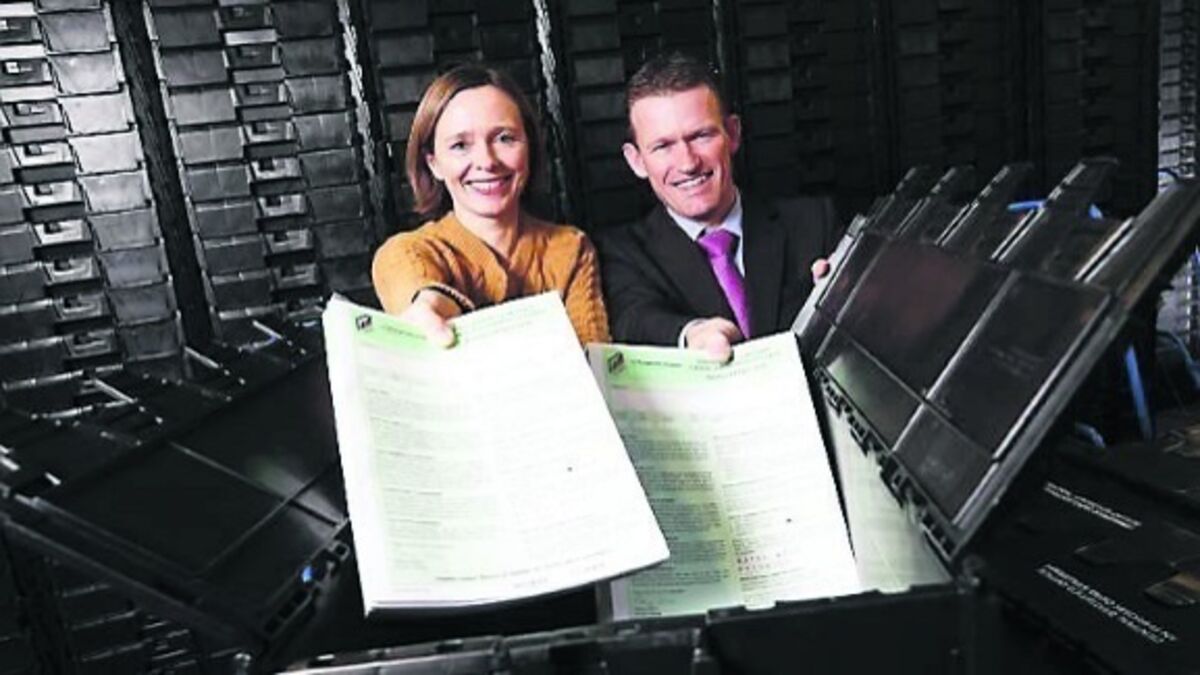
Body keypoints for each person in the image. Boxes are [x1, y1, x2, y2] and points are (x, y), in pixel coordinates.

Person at [597, 52, 837, 361]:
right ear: (637, 161)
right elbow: (637, 317)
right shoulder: (622, 255)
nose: (688, 163)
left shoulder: (814, 223)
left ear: (733, 134)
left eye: (701, 136)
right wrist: (691, 333)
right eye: (663, 146)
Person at [372, 64, 609, 346]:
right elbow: (410, 284)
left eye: (504, 138)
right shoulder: (409, 251)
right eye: (460, 145)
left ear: (530, 149)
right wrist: (432, 302)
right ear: (433, 163)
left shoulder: (570, 248)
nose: (486, 161)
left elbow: (592, 359)